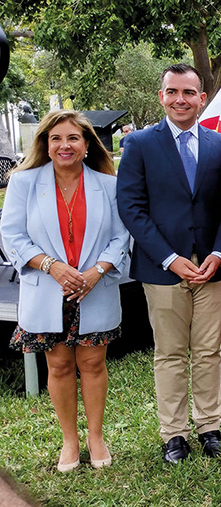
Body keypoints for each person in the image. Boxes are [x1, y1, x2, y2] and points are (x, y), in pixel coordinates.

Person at [117, 64, 221, 463]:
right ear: (162, 96)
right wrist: (170, 258)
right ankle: (174, 434)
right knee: (169, 353)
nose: (180, 99)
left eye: (188, 92)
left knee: (207, 351)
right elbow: (132, 209)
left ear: (202, 98)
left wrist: (218, 254)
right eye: (172, 92)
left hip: (212, 269)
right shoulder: (139, 145)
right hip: (162, 268)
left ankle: (209, 427)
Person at [1, 110, 129, 472]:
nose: (64, 145)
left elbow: (122, 235)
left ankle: (96, 437)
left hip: (95, 287)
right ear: (45, 144)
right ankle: (70, 442)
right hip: (46, 288)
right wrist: (52, 266)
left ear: (87, 144)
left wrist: (97, 270)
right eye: (56, 138)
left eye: (73, 138)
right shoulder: (25, 182)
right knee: (57, 366)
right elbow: (11, 235)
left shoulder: (108, 184)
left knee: (92, 363)